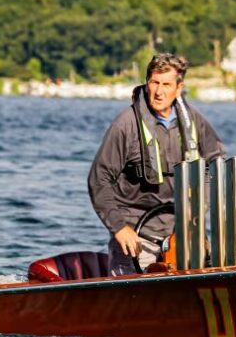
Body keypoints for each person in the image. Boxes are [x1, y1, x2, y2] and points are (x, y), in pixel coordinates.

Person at [88, 52, 226, 270]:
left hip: (182, 236)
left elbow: (215, 165)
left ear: (178, 88)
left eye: (166, 84)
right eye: (154, 82)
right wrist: (119, 227)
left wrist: (198, 210)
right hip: (136, 238)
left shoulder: (194, 121)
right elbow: (99, 180)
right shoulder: (125, 124)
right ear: (147, 83)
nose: (159, 91)